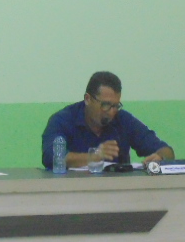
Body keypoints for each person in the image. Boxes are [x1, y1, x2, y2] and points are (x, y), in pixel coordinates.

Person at [42, 71, 174, 169]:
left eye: (115, 106)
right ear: (88, 99)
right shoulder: (62, 120)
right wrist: (94, 157)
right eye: (105, 105)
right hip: (72, 192)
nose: (111, 111)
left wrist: (160, 157)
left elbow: (167, 151)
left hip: (116, 193)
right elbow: (51, 157)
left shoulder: (123, 120)